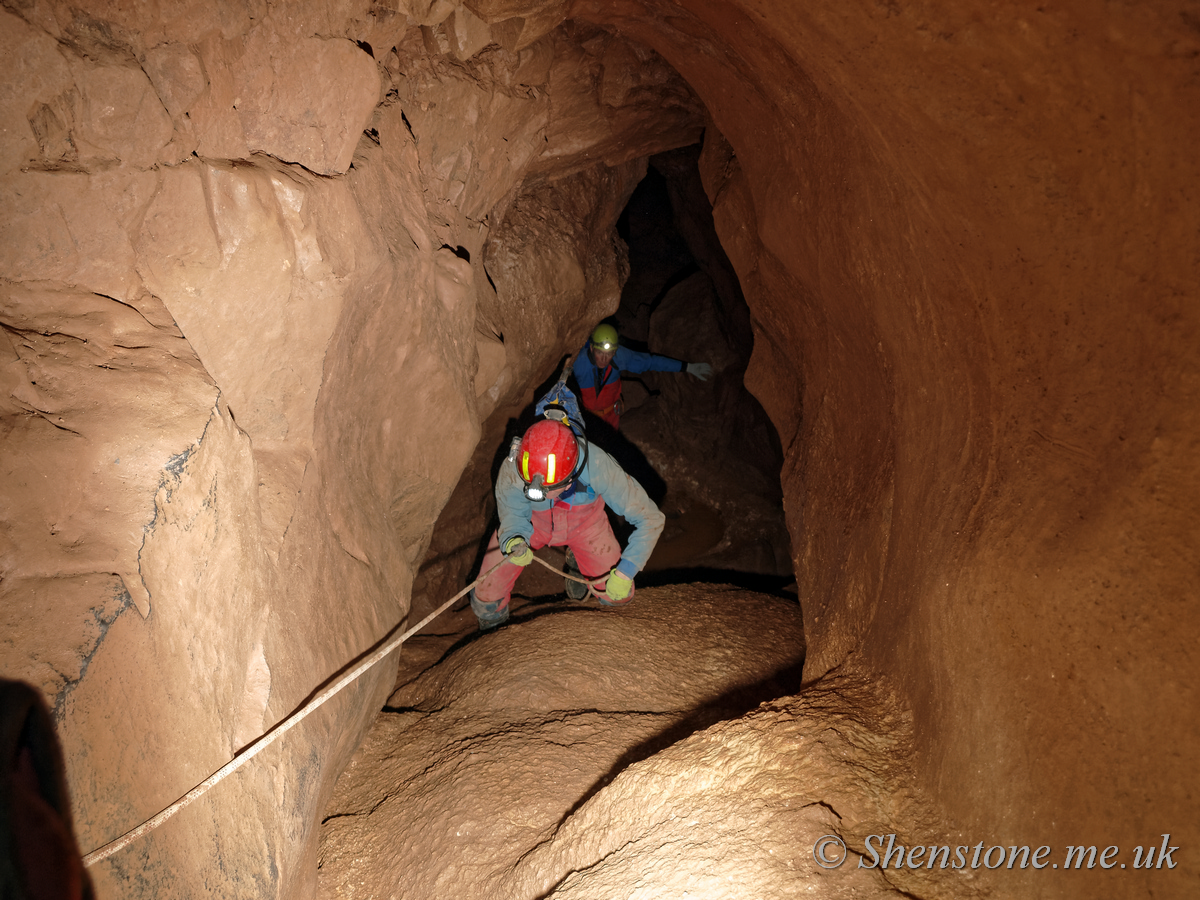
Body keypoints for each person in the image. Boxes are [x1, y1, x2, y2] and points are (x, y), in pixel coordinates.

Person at [469, 385, 666, 631]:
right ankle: (492, 625)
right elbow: (512, 512)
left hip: (586, 526)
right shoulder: (516, 464)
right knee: (487, 591)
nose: (539, 493)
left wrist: (626, 571)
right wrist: (513, 538)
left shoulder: (596, 464)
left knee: (618, 597)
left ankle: (577, 558)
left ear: (572, 477)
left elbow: (650, 518)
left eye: (549, 489)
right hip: (533, 524)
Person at [571, 323, 713, 430]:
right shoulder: (578, 362)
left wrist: (687, 367)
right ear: (591, 348)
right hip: (584, 420)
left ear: (615, 351)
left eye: (609, 353)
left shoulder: (621, 357)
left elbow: (651, 361)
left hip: (610, 419)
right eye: (599, 352)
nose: (604, 358)